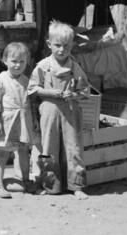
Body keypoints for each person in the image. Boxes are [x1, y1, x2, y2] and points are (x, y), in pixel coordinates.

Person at [28, 20, 90, 199]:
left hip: (70, 112)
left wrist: (74, 95)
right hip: (49, 112)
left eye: (66, 46)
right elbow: (32, 89)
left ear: (72, 46)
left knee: (73, 148)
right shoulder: (43, 66)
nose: (62, 50)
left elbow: (85, 90)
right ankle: (51, 185)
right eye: (57, 46)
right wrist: (49, 92)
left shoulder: (74, 67)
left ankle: (76, 185)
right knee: (49, 148)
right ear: (49, 44)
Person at [0, 41, 39, 198]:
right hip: (6, 122)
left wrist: (34, 119)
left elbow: (31, 101)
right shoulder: (1, 80)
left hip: (23, 121)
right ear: (5, 61)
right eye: (14, 61)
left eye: (22, 62)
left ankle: (26, 180)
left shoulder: (26, 80)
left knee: (23, 151)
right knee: (2, 153)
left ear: (27, 62)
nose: (18, 65)